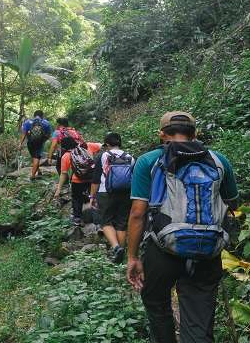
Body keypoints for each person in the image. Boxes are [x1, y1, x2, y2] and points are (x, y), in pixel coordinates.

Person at [126, 111, 239, 343]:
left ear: (161, 135)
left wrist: (133, 257)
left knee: (156, 303)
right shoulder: (218, 160)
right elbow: (232, 203)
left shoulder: (148, 161)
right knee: (199, 318)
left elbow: (138, 213)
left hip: (162, 250)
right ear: (195, 134)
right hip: (207, 251)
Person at [90, 132, 134, 263]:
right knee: (121, 223)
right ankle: (121, 256)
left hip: (106, 193)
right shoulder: (130, 157)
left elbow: (96, 179)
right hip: (126, 193)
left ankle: (116, 248)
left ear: (107, 144)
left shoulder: (103, 156)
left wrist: (92, 196)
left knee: (106, 222)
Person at [53, 136, 101, 226]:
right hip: (92, 178)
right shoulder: (87, 147)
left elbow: (63, 174)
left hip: (77, 180)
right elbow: (100, 146)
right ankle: (98, 222)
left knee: (77, 199)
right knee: (94, 197)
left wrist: (58, 189)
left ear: (64, 147)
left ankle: (77, 219)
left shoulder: (66, 156)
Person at [18, 110, 52, 179]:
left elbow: (24, 134)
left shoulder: (27, 122)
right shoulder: (46, 123)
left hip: (30, 143)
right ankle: (33, 176)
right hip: (39, 143)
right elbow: (49, 135)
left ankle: (37, 171)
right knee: (36, 158)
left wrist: (20, 144)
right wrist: (44, 140)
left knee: (34, 157)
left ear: (34, 115)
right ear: (42, 116)